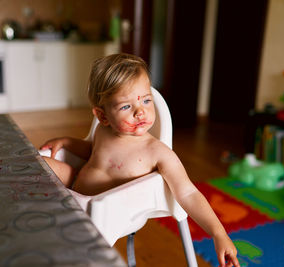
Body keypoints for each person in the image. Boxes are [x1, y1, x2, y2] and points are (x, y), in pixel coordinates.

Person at [41, 53, 239, 267]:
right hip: (74, 186)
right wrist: (69, 142)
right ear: (102, 116)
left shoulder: (157, 152)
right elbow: (94, 153)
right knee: (37, 165)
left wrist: (219, 233)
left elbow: (188, 193)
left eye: (146, 100)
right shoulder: (103, 131)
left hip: (105, 213)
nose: (140, 111)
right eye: (126, 106)